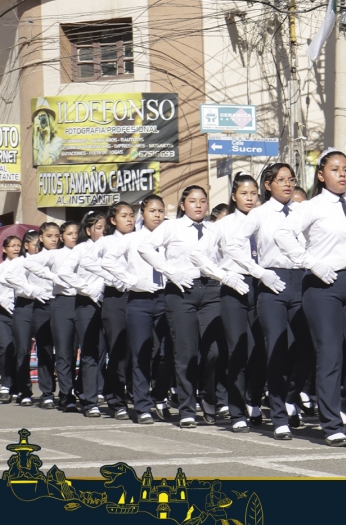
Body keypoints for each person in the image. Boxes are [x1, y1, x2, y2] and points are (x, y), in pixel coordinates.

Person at [275, 148, 346, 447]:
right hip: (323, 285)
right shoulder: (311, 206)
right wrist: (311, 262)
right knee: (331, 355)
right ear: (322, 175)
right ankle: (331, 424)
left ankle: (341, 404)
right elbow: (283, 234)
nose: (342, 175)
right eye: (335, 169)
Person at [225, 163, 306, 439]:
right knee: (277, 349)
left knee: (303, 349)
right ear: (268, 185)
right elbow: (233, 245)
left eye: (291, 179)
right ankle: (279, 416)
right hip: (272, 283)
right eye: (281, 180)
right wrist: (259, 272)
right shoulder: (259, 214)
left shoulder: (302, 211)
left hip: (302, 280)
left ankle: (290, 398)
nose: (288, 184)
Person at [139, 185, 222, 429]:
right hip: (180, 291)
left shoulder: (214, 229)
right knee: (186, 353)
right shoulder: (171, 227)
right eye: (193, 201)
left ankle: (209, 399)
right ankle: (187, 408)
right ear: (183, 205)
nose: (198, 205)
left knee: (214, 352)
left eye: (203, 201)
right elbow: (144, 247)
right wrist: (169, 271)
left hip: (211, 290)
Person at [191, 173, 261, 433]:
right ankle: (236, 410)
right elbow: (197, 254)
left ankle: (254, 401)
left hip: (263, 286)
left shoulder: (264, 218)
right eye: (244, 193)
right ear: (234, 196)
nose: (249, 198)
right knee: (238, 351)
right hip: (233, 288)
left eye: (253, 193)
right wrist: (223, 275)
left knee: (260, 349)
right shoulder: (222, 225)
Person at [102, 195, 173, 424]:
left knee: (166, 353)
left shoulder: (170, 237)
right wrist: (131, 281)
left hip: (166, 298)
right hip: (139, 300)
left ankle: (160, 396)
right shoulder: (132, 239)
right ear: (143, 213)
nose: (157, 215)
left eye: (161, 211)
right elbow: (108, 261)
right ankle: (142, 406)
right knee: (140, 353)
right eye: (152, 211)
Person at [80, 203, 136, 420]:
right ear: (113, 220)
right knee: (118, 352)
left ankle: (137, 396)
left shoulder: (139, 237)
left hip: (139, 296)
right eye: (124, 216)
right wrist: (113, 277)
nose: (129, 219)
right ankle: (116, 400)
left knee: (138, 351)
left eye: (132, 215)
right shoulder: (106, 241)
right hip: (115, 298)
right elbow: (88, 261)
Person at [23, 221, 79, 412]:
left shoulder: (69, 254)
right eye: (49, 236)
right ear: (41, 238)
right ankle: (47, 393)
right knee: (45, 350)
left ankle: (67, 391)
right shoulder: (40, 258)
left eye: (56, 236)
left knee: (67, 350)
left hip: (63, 303)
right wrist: (41, 286)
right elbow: (24, 275)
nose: (54, 239)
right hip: (43, 305)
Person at [57, 212, 107, 417]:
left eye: (105, 227)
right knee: (90, 353)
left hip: (110, 301)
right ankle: (89, 400)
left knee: (105, 352)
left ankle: (103, 393)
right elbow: (64, 272)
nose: (103, 232)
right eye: (98, 228)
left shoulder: (114, 245)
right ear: (88, 230)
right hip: (87, 303)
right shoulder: (81, 249)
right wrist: (86, 288)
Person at [7, 226, 56, 408]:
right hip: (24, 305)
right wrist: (30, 290)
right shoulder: (20, 262)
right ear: (26, 245)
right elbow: (6, 277)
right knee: (23, 350)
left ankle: (47, 393)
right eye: (34, 243)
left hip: (44, 305)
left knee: (45, 348)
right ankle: (24, 391)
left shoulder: (50, 258)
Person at [0, 236, 22, 403]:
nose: (16, 248)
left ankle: (18, 386)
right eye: (12, 246)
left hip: (21, 312)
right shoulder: (2, 268)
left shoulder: (25, 265)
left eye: (18, 245)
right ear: (4, 249)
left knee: (19, 349)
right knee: (6, 346)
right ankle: (6, 384)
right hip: (3, 312)